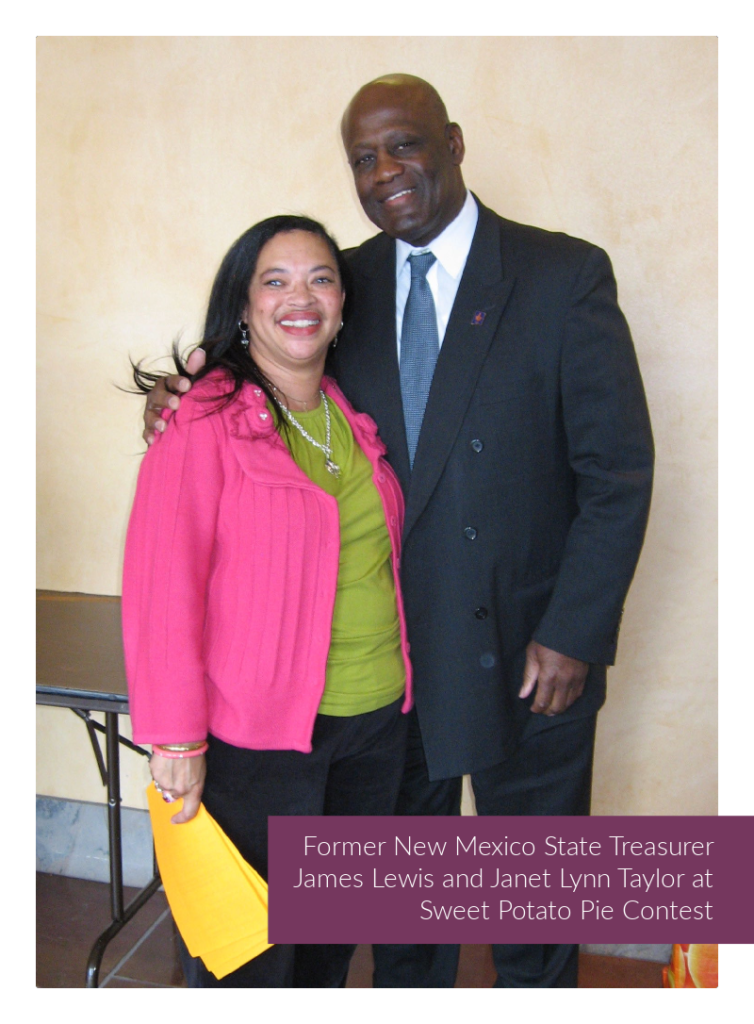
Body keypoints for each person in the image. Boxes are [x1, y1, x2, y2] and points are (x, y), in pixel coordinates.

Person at [143, 75, 654, 989]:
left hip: (532, 656)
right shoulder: (346, 281)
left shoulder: (561, 275)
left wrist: (575, 629)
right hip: (397, 679)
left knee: (537, 909)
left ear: (453, 144)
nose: (385, 173)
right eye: (363, 159)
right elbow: (261, 367)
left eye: (404, 146)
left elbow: (616, 476)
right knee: (400, 915)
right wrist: (182, 393)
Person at [124, 214, 413, 989]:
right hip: (258, 747)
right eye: (275, 280)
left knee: (326, 951)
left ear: (344, 305)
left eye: (321, 278)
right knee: (248, 959)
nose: (301, 297)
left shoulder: (350, 417)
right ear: (243, 305)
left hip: (374, 729)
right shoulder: (204, 420)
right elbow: (163, 589)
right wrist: (175, 741)